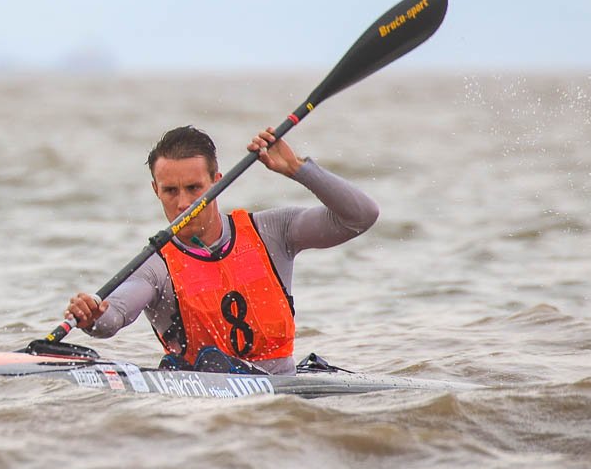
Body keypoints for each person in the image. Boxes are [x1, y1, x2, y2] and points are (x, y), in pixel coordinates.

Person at [64, 124, 378, 377]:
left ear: (217, 182)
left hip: (283, 390)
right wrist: (93, 316)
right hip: (202, 399)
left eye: (194, 188)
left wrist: (297, 169)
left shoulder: (272, 232)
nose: (183, 203)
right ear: (155, 190)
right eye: (170, 191)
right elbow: (114, 316)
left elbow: (361, 217)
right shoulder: (155, 267)